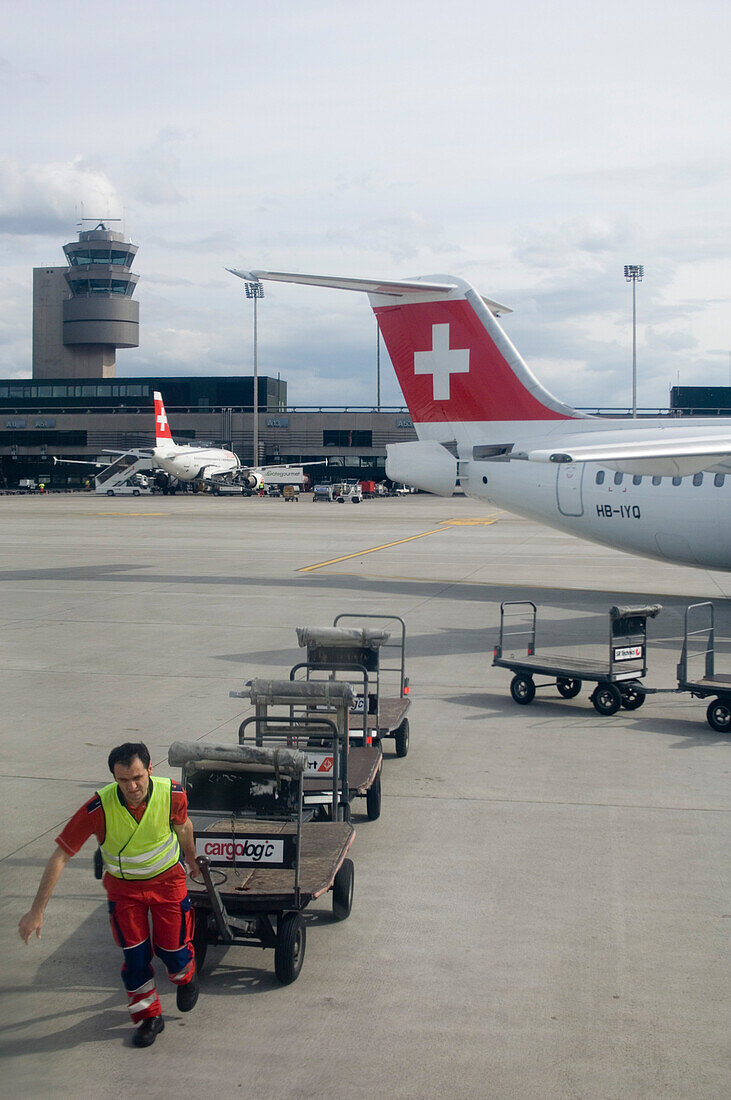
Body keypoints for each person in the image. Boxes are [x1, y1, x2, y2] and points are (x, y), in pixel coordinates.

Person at [18, 742, 200, 1048]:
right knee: (135, 957)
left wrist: (192, 860)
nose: (132, 786)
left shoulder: (172, 794)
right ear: (113, 778)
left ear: (150, 770)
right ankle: (149, 1017)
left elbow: (183, 827)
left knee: (172, 949)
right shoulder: (98, 808)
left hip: (168, 884)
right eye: (123, 780)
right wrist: (37, 911)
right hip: (124, 891)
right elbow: (61, 855)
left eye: (138, 777)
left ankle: (185, 975)